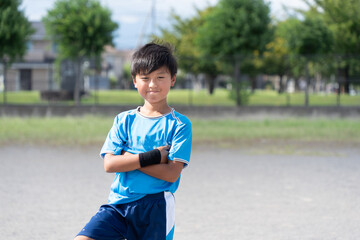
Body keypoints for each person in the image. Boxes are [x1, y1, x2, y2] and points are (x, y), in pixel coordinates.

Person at [75, 42, 192, 240]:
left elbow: (171, 174)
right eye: (145, 78)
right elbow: (110, 164)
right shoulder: (124, 120)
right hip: (118, 205)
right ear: (134, 81)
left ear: (172, 79)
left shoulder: (180, 124)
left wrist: (127, 159)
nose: (153, 84)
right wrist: (153, 157)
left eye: (160, 77)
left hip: (156, 208)